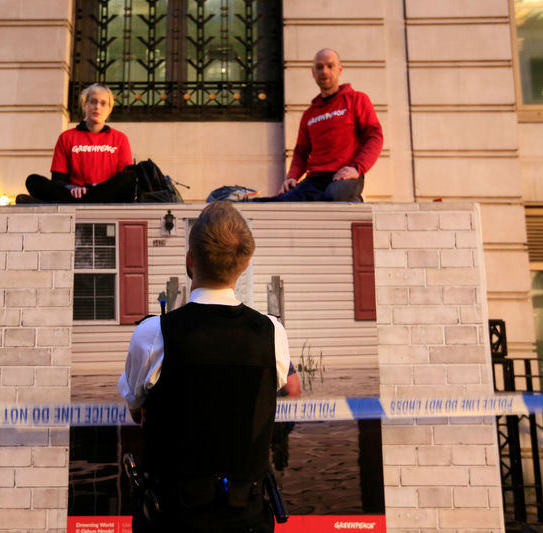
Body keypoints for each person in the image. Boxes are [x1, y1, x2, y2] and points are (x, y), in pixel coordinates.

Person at [118, 201, 292, 533]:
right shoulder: (272, 333)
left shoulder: (154, 333)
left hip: (172, 519)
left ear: (189, 260)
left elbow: (136, 410)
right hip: (247, 519)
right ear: (244, 264)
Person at [267, 48, 383, 202]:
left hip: (344, 176)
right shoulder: (309, 114)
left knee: (332, 197)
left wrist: (357, 168)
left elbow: (375, 136)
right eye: (319, 67)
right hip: (315, 179)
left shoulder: (357, 100)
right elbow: (301, 152)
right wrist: (292, 177)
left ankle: (355, 204)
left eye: (330, 66)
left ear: (340, 69)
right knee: (282, 200)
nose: (324, 71)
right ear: (313, 73)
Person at [16, 83, 135, 203]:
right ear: (84, 105)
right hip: (74, 194)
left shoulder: (120, 139)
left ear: (110, 109)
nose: (97, 107)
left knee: (129, 179)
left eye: (103, 103)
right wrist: (72, 188)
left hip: (105, 193)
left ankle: (49, 203)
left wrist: (99, 188)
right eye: (93, 101)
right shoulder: (66, 137)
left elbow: (125, 180)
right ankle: (80, 199)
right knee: (32, 180)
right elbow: (58, 180)